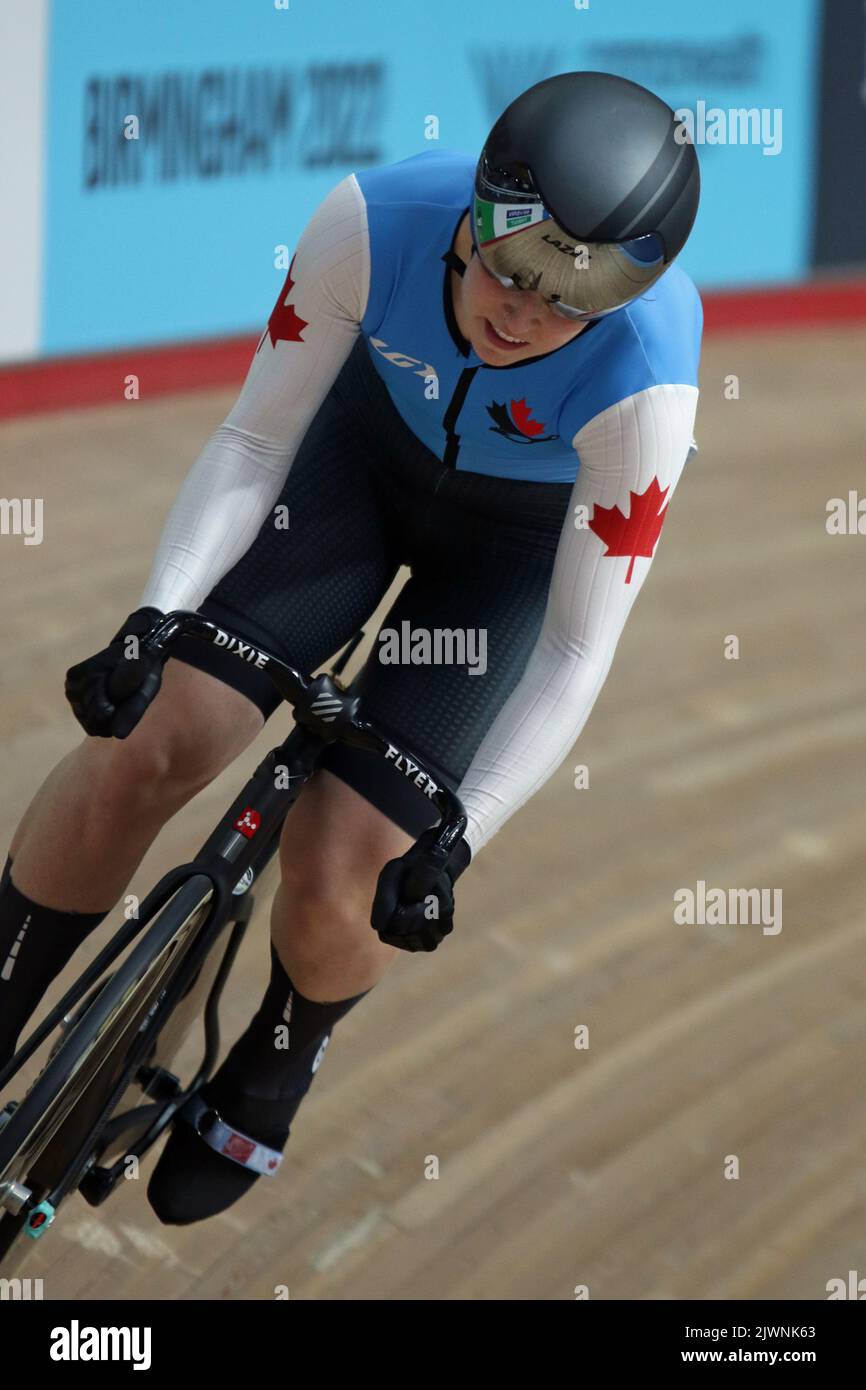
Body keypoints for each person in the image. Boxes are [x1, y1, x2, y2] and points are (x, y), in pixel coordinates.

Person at [0, 71, 702, 1225]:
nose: (520, 315)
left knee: (347, 877)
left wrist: (459, 839)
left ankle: (276, 1061)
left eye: (564, 304)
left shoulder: (646, 391)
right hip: (353, 474)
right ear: (474, 213)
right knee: (155, 735)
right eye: (506, 270)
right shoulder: (371, 225)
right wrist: (155, 613)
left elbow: (573, 652)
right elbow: (250, 438)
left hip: (505, 558)